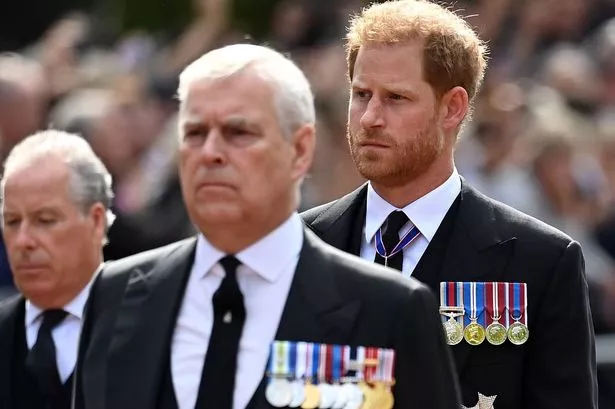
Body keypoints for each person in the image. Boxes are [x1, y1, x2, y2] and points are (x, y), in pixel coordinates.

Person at [77, 43, 460, 409]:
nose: (210, 153)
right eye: (194, 133)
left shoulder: (389, 309)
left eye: (239, 133)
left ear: (300, 150)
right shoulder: (114, 295)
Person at [301, 1, 598, 409]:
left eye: (396, 98)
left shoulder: (541, 261)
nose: (369, 117)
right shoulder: (300, 244)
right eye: (362, 94)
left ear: (453, 108)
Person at [0, 130, 114, 408]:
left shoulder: (148, 328)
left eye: (45, 220)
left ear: (96, 221)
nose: (23, 241)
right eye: (12, 221)